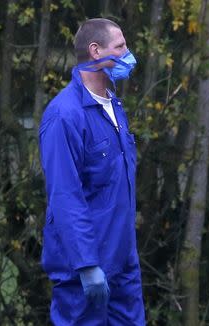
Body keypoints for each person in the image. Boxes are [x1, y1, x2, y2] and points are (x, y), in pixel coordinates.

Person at [39, 18, 145, 325]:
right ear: (96, 51)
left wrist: (128, 256)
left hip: (124, 263)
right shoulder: (64, 115)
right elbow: (65, 195)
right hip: (83, 268)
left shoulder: (115, 106)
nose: (129, 55)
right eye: (121, 47)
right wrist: (86, 264)